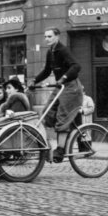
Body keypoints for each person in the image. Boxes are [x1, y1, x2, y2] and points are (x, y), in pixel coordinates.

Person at [28, 27, 82, 163]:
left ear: (57, 37)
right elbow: (47, 71)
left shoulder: (63, 50)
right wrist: (34, 81)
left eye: (50, 36)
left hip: (70, 86)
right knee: (47, 113)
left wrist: (63, 78)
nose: (47, 39)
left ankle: (60, 150)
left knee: (62, 117)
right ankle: (64, 136)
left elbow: (76, 66)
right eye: (45, 36)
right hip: (60, 86)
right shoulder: (50, 52)